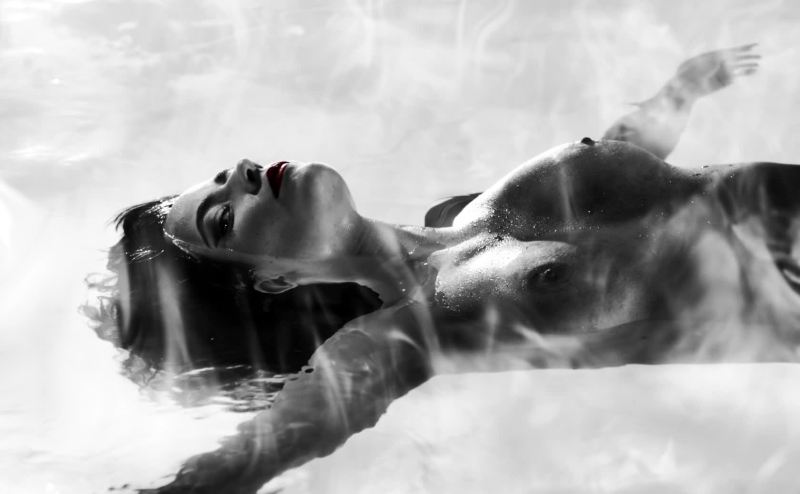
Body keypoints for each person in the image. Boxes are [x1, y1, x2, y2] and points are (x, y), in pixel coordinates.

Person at [85, 46, 783, 492]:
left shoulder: (466, 212)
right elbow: (253, 458)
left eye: (222, 177)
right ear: (273, 281)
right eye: (224, 218)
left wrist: (680, 93)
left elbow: (630, 179)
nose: (241, 173)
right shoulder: (400, 338)